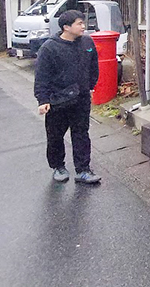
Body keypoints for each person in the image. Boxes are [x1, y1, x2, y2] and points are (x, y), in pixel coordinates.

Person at [33, 10, 101, 184]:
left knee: (81, 133)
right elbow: (42, 76)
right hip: (58, 99)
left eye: (83, 23)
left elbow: (94, 65)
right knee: (55, 135)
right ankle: (58, 166)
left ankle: (83, 169)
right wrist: (43, 99)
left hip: (81, 97)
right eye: (79, 23)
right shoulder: (49, 48)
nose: (83, 26)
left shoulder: (87, 42)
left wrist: (90, 86)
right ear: (66, 27)